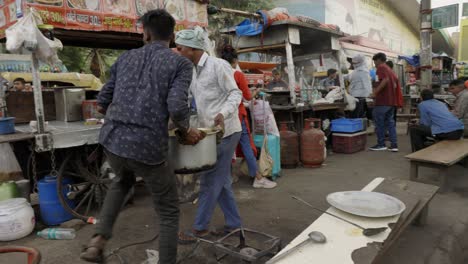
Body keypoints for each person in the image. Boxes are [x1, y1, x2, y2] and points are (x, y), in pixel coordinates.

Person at [80, 10, 203, 264]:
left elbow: (102, 101)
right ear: (172, 36)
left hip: (113, 141)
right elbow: (178, 108)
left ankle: (98, 241)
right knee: (168, 210)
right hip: (147, 147)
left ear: (145, 32)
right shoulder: (179, 63)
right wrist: (185, 131)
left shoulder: (125, 58)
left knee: (121, 182)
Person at [175, 27, 244, 243]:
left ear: (193, 49)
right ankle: (234, 224)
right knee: (220, 181)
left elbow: (236, 93)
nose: (177, 52)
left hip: (227, 131)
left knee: (208, 179)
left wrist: (223, 113)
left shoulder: (218, 66)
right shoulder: (192, 70)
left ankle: (200, 228)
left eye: (180, 48)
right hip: (209, 133)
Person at [220, 45, 277, 189]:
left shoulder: (218, 72)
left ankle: (228, 177)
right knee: (246, 146)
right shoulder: (237, 75)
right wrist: (256, 91)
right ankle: (258, 178)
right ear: (234, 61)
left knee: (226, 147)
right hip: (237, 115)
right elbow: (247, 96)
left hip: (221, 116)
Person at [369, 52, 399, 152]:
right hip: (391, 101)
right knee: (390, 123)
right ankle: (394, 145)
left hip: (382, 101)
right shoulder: (390, 70)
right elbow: (394, 83)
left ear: (379, 60)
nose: (375, 64)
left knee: (379, 123)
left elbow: (384, 80)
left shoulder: (381, 67)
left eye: (375, 61)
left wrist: (374, 93)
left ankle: (381, 144)